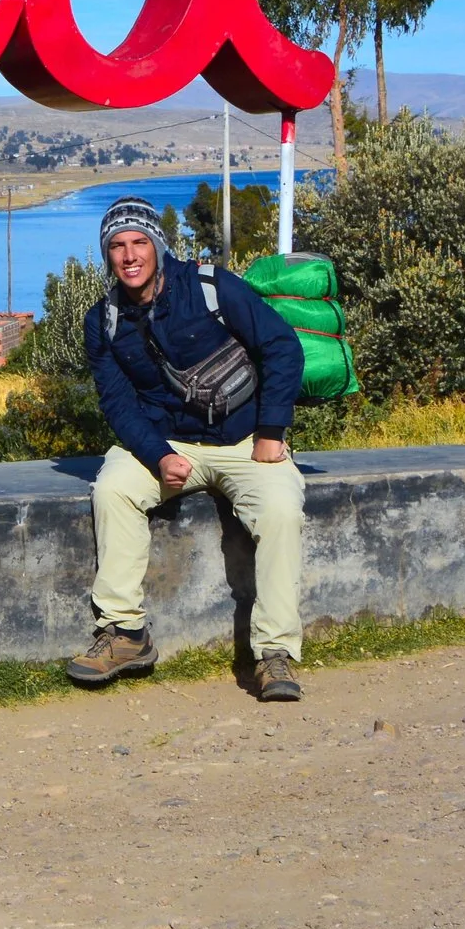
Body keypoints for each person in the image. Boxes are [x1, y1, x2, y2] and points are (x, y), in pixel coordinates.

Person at [71, 196, 308, 700]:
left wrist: (272, 431)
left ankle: (275, 655)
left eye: (138, 242)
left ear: (157, 245)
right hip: (169, 444)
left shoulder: (211, 286)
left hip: (247, 441)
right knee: (113, 488)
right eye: (117, 246)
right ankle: (126, 633)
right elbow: (118, 404)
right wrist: (158, 455)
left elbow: (282, 346)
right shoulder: (103, 321)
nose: (129, 255)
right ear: (106, 255)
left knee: (283, 510)